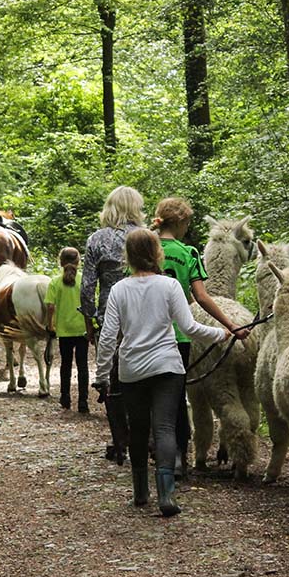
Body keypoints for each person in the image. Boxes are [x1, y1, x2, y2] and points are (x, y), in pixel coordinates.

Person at [94, 228, 249, 516]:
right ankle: (166, 495)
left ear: (128, 256)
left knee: (139, 429)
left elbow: (108, 337)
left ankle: (141, 492)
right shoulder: (170, 286)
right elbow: (189, 327)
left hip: (132, 369)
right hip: (167, 366)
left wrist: (102, 375)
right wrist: (223, 333)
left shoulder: (119, 290)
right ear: (157, 253)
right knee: (165, 427)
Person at [153, 197, 247, 477]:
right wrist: (230, 325)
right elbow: (202, 297)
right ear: (181, 222)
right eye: (188, 223)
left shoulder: (146, 249)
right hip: (180, 335)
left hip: (148, 333)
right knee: (178, 396)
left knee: (154, 398)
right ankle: (180, 455)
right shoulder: (189, 253)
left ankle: (156, 451)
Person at [81, 186, 146, 464]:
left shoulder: (97, 239)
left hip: (110, 315)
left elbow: (87, 287)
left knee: (111, 377)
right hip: (142, 313)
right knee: (142, 375)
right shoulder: (146, 237)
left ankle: (120, 439)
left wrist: (90, 319)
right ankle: (145, 434)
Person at [44, 247, 89, 413]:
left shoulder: (55, 282)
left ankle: (65, 398)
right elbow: (90, 303)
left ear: (61, 262)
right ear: (78, 261)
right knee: (82, 365)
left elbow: (50, 306)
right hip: (82, 329)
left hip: (64, 331)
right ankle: (83, 402)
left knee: (66, 365)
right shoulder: (84, 280)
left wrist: (50, 325)